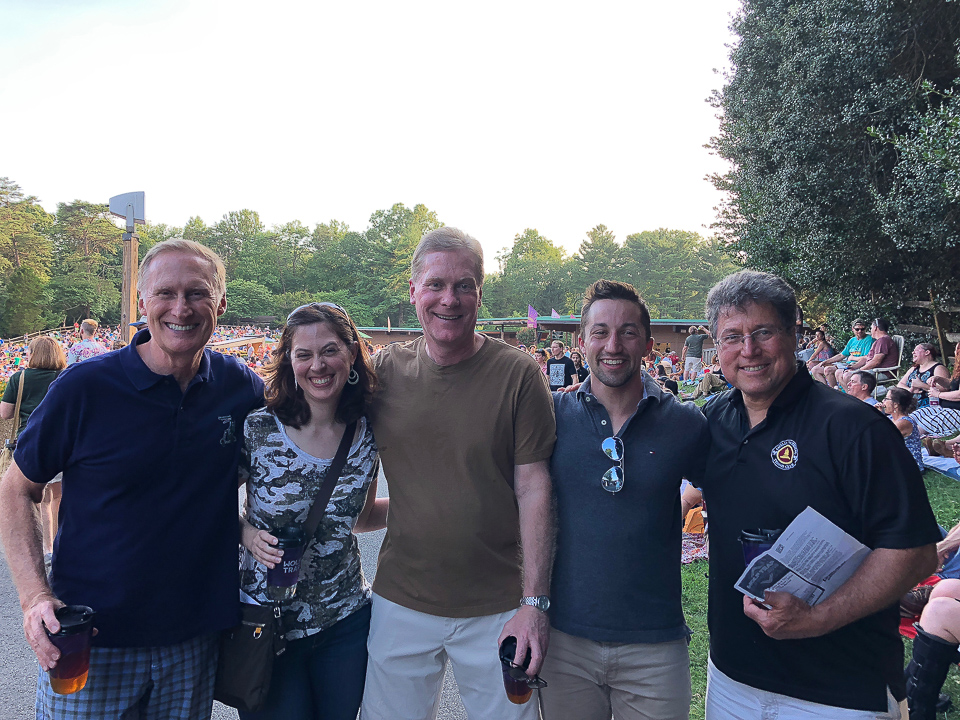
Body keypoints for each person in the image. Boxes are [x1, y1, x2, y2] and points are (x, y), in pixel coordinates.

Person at [0, 239, 265, 719]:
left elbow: (309, 419)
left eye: (197, 293)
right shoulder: (85, 388)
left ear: (221, 303)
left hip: (193, 640)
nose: (180, 308)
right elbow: (17, 489)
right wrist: (34, 596)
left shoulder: (239, 386)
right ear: (142, 303)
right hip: (91, 641)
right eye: (164, 293)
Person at [699, 270, 939, 718]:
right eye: (732, 336)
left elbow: (916, 553)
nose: (748, 350)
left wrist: (817, 618)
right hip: (732, 677)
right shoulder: (715, 420)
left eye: (763, 332)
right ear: (717, 346)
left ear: (794, 335)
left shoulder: (855, 428)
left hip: (840, 690)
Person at [361, 227, 556, 720]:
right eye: (436, 285)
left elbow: (534, 489)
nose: (450, 299)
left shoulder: (518, 375)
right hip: (401, 600)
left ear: (479, 294)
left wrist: (535, 602)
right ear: (413, 292)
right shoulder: (383, 374)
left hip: (498, 605)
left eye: (464, 286)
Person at [542, 280, 709, 720]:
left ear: (648, 343)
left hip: (655, 646)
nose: (612, 345)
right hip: (565, 642)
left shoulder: (685, 423)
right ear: (581, 343)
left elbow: (734, 491)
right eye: (600, 332)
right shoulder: (551, 416)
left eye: (628, 332)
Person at [237, 302, 388, 720]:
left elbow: (360, 520)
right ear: (289, 361)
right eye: (303, 354)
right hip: (269, 624)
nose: (317, 365)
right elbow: (207, 504)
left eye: (330, 350)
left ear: (352, 353)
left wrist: (422, 506)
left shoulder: (368, 433)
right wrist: (247, 534)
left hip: (344, 619)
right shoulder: (259, 428)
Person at [0, 337, 68, 564]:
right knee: (57, 497)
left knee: (40, 500)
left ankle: (45, 546)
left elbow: (6, 413)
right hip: (61, 443)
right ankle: (59, 545)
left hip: (27, 442)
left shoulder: (19, 379)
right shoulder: (65, 377)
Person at [911, 342, 960, 439]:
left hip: (957, 411)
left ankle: (905, 440)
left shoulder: (938, 366)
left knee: (926, 423)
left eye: (957, 349)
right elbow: (951, 385)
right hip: (943, 407)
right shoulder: (958, 370)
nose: (954, 351)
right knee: (915, 416)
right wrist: (938, 379)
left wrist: (938, 394)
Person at [810, 319, 873, 389]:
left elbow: (867, 357)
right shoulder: (852, 340)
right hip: (846, 364)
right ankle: (826, 391)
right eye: (857, 329)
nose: (860, 331)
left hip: (856, 366)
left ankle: (835, 392)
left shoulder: (869, 340)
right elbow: (841, 355)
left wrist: (852, 358)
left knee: (828, 370)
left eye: (862, 329)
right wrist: (826, 361)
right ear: (853, 329)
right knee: (815, 369)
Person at [836, 317, 898, 388]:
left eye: (871, 328)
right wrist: (853, 367)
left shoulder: (883, 341)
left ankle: (854, 397)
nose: (870, 330)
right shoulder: (879, 341)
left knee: (848, 375)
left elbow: (875, 362)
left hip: (881, 373)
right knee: (839, 372)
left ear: (875, 328)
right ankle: (850, 396)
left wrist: (858, 371)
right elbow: (867, 358)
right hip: (873, 370)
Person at [882, 386, 924, 471]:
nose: (883, 401)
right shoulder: (891, 418)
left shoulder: (904, 422)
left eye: (886, 399)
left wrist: (878, 415)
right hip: (898, 459)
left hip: (910, 466)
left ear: (896, 404)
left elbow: (881, 438)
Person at [897, 343, 948, 409]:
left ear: (927, 352)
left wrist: (921, 385)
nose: (913, 352)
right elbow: (900, 384)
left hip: (930, 407)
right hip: (910, 406)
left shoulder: (938, 368)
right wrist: (910, 390)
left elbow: (945, 389)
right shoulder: (914, 369)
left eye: (916, 350)